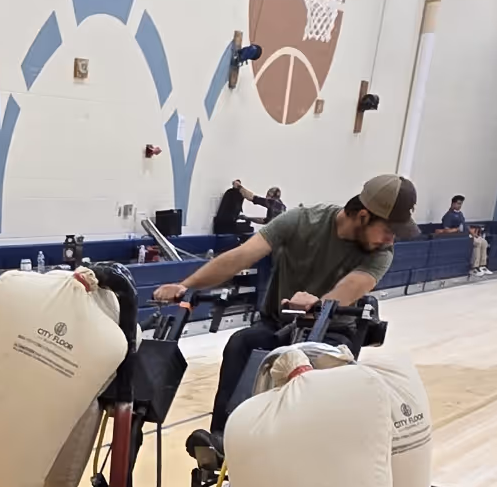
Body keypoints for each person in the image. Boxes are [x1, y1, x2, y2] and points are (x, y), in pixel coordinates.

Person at [154, 173, 416, 427]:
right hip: (278, 327)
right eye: (388, 231)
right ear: (363, 216)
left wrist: (316, 304)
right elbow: (242, 256)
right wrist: (184, 286)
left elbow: (349, 289)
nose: (390, 240)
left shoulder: (381, 252)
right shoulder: (302, 220)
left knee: (315, 377)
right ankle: (223, 438)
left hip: (331, 336)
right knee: (241, 343)